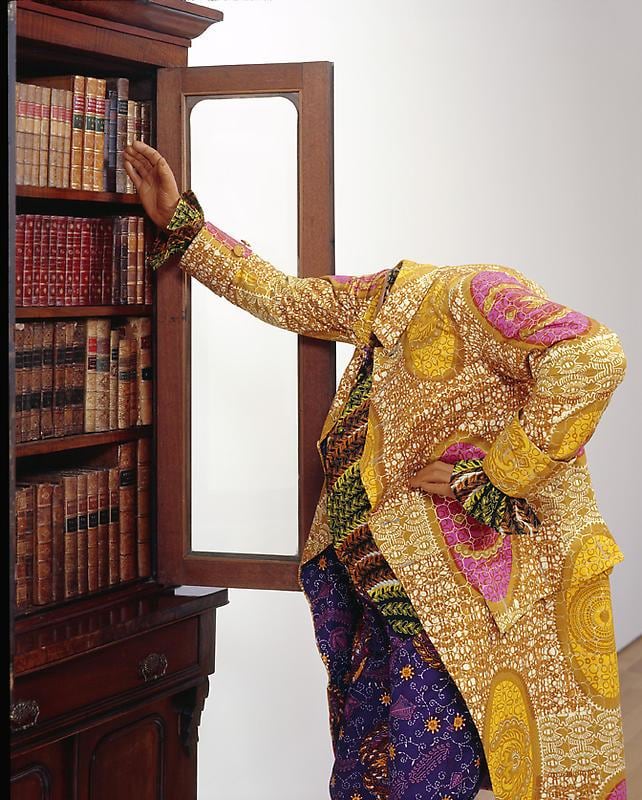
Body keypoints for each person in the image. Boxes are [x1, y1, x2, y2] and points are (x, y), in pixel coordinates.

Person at [124, 140, 629, 800]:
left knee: (416, 778)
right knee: (369, 774)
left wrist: (499, 474)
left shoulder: (474, 293)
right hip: (385, 587)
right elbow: (285, 297)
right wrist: (183, 224)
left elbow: (592, 356)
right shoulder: (386, 298)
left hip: (448, 603)